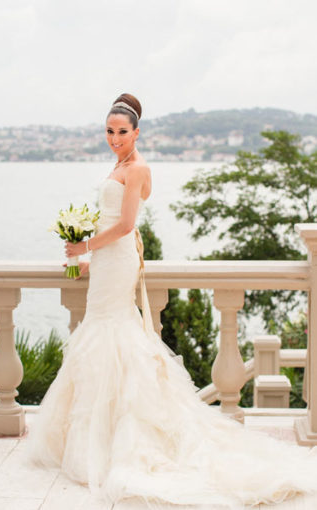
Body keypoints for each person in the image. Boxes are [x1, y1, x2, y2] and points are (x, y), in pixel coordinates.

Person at [28, 93, 317, 506]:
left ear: (136, 132)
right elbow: (114, 222)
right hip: (107, 264)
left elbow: (126, 225)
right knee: (100, 336)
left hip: (119, 259)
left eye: (122, 132)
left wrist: (84, 245)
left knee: (114, 334)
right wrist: (90, 260)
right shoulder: (119, 165)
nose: (114, 138)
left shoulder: (138, 167)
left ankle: (124, 440)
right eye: (109, 132)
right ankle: (99, 438)